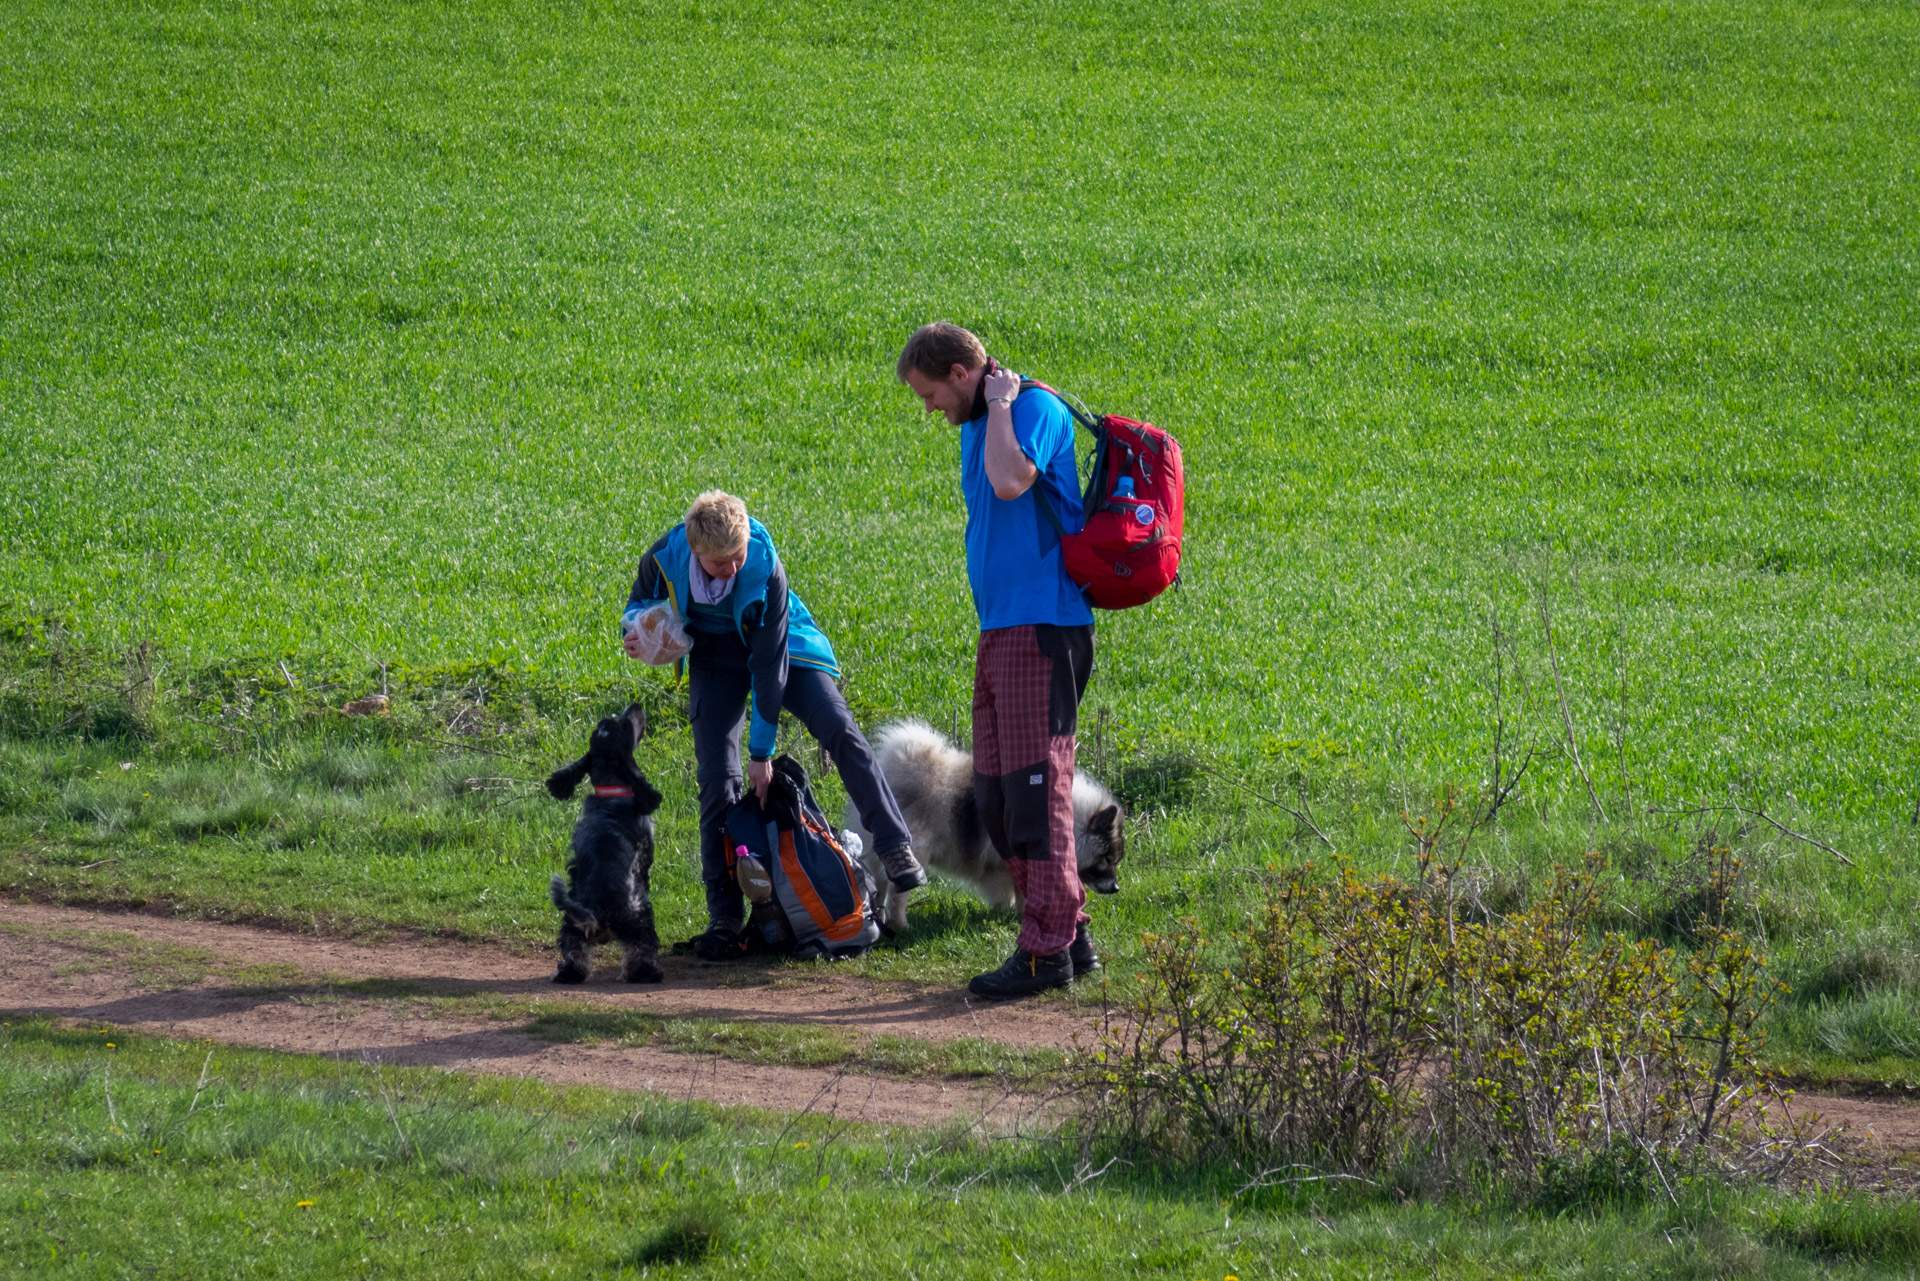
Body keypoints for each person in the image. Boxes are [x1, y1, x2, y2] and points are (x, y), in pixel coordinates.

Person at [623, 491, 925, 960]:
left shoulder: (764, 566)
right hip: (716, 659)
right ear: (696, 550)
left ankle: (893, 846)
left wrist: (762, 755)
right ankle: (724, 917)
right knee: (717, 780)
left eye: (738, 556)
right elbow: (638, 599)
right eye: (722, 563)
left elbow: (770, 671)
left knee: (839, 728)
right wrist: (638, 628)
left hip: (787, 651)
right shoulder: (668, 552)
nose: (734, 569)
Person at [897, 322, 1098, 999]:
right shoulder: (976, 426)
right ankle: (1070, 931)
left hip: (1044, 626)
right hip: (1002, 629)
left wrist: (1006, 405)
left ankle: (1047, 950)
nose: (929, 410)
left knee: (1036, 795)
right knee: (998, 796)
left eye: (930, 395)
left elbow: (1013, 483)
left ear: (960, 372)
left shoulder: (1029, 408)